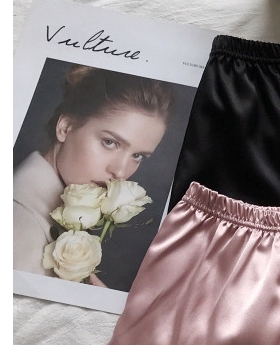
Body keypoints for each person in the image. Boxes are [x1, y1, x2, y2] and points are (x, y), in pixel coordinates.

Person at [13, 64, 174, 284]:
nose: (120, 172)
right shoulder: (20, 227)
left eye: (138, 156)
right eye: (110, 142)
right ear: (65, 127)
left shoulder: (53, 213)